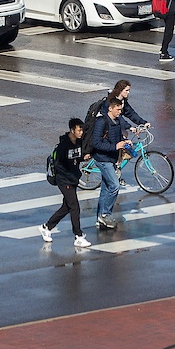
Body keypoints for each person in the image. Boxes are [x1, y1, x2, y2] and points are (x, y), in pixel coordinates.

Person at [40, 118, 91, 248]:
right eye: (79, 130)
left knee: (67, 207)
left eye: (82, 130)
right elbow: (59, 165)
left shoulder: (79, 142)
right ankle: (78, 236)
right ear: (72, 130)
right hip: (64, 180)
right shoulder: (63, 145)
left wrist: (82, 158)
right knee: (75, 207)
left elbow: (75, 158)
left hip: (72, 178)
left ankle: (46, 227)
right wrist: (69, 175)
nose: (81, 132)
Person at [92, 97, 132, 230]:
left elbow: (117, 137)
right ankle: (105, 214)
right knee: (115, 185)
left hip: (111, 159)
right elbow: (96, 143)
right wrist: (115, 147)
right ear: (110, 108)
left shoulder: (117, 121)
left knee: (105, 189)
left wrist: (124, 141)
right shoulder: (101, 122)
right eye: (118, 109)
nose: (120, 112)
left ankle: (99, 217)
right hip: (102, 159)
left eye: (121, 109)